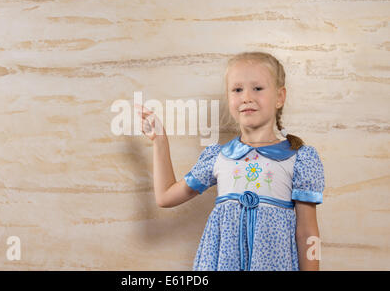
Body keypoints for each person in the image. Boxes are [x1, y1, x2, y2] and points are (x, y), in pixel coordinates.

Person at [135, 51, 324, 271]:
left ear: (280, 97)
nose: (246, 97)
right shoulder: (219, 157)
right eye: (237, 89)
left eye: (258, 88)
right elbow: (165, 196)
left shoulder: (298, 158)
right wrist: (160, 141)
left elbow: (309, 232)